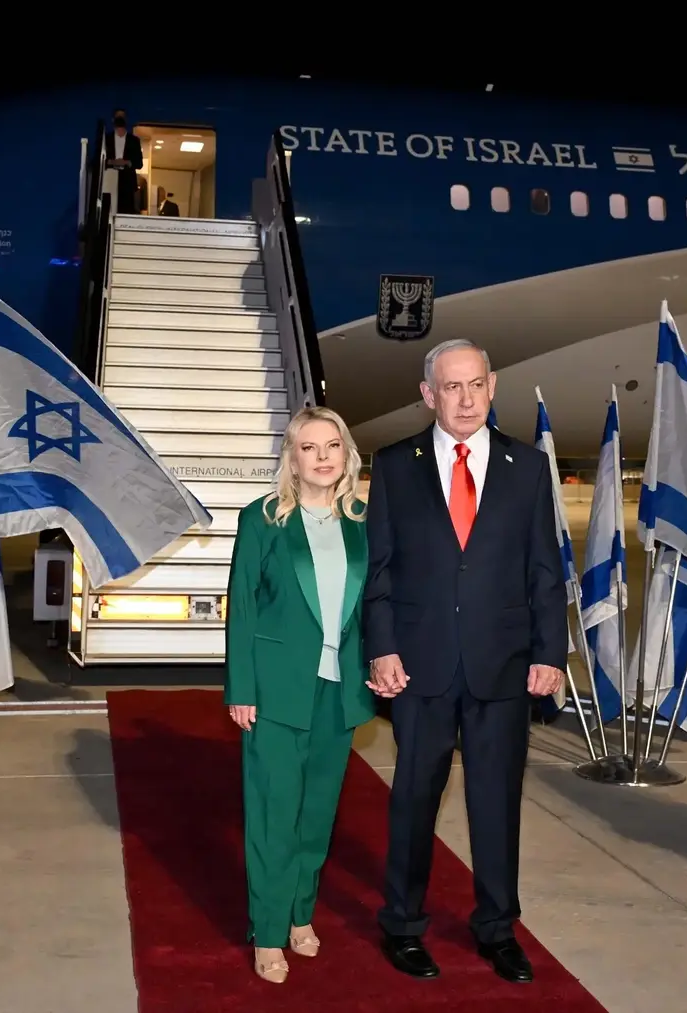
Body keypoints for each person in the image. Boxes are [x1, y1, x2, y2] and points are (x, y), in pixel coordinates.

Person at [364, 337, 567, 984]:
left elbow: (544, 569)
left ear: (493, 385)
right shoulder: (396, 465)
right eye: (450, 386)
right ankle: (401, 923)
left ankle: (497, 927)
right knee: (414, 801)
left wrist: (550, 652)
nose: (465, 397)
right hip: (419, 665)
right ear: (428, 394)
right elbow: (380, 570)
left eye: (474, 383)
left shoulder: (528, 467)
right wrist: (382, 645)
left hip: (502, 665)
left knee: (496, 802)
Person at [225, 405, 377, 985]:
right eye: (308, 447)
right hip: (276, 691)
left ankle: (299, 914)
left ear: (346, 455)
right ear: (291, 457)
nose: (321, 457)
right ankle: (267, 932)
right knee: (273, 814)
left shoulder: (362, 520)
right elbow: (242, 608)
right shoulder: (262, 519)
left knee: (316, 815)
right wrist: (242, 688)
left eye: (331, 446)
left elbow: (373, 604)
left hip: (339, 692)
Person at [103, 109, 143, 214]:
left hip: (128, 183)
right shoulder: (106, 139)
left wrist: (126, 162)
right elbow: (99, 161)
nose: (120, 119)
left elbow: (139, 164)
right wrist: (112, 162)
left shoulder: (134, 141)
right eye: (118, 116)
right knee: (109, 211)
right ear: (113, 120)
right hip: (110, 179)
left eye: (122, 116)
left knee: (126, 211)